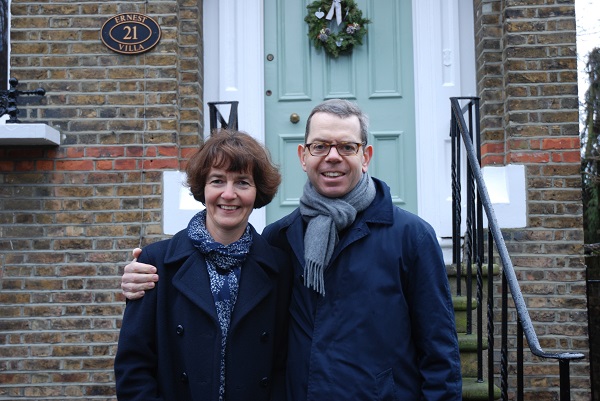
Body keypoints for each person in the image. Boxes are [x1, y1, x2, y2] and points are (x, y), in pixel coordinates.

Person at [121, 99, 463, 400]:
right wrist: (136, 278)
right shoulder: (279, 239)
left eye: (346, 147)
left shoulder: (411, 236)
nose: (332, 157)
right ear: (303, 156)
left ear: (366, 155)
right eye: (320, 146)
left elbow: (439, 351)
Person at [114, 130, 292, 401]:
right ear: (203, 188)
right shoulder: (156, 263)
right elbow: (134, 365)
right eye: (217, 181)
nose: (229, 194)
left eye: (243, 182)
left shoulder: (279, 267)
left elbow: (285, 362)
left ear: (258, 192)